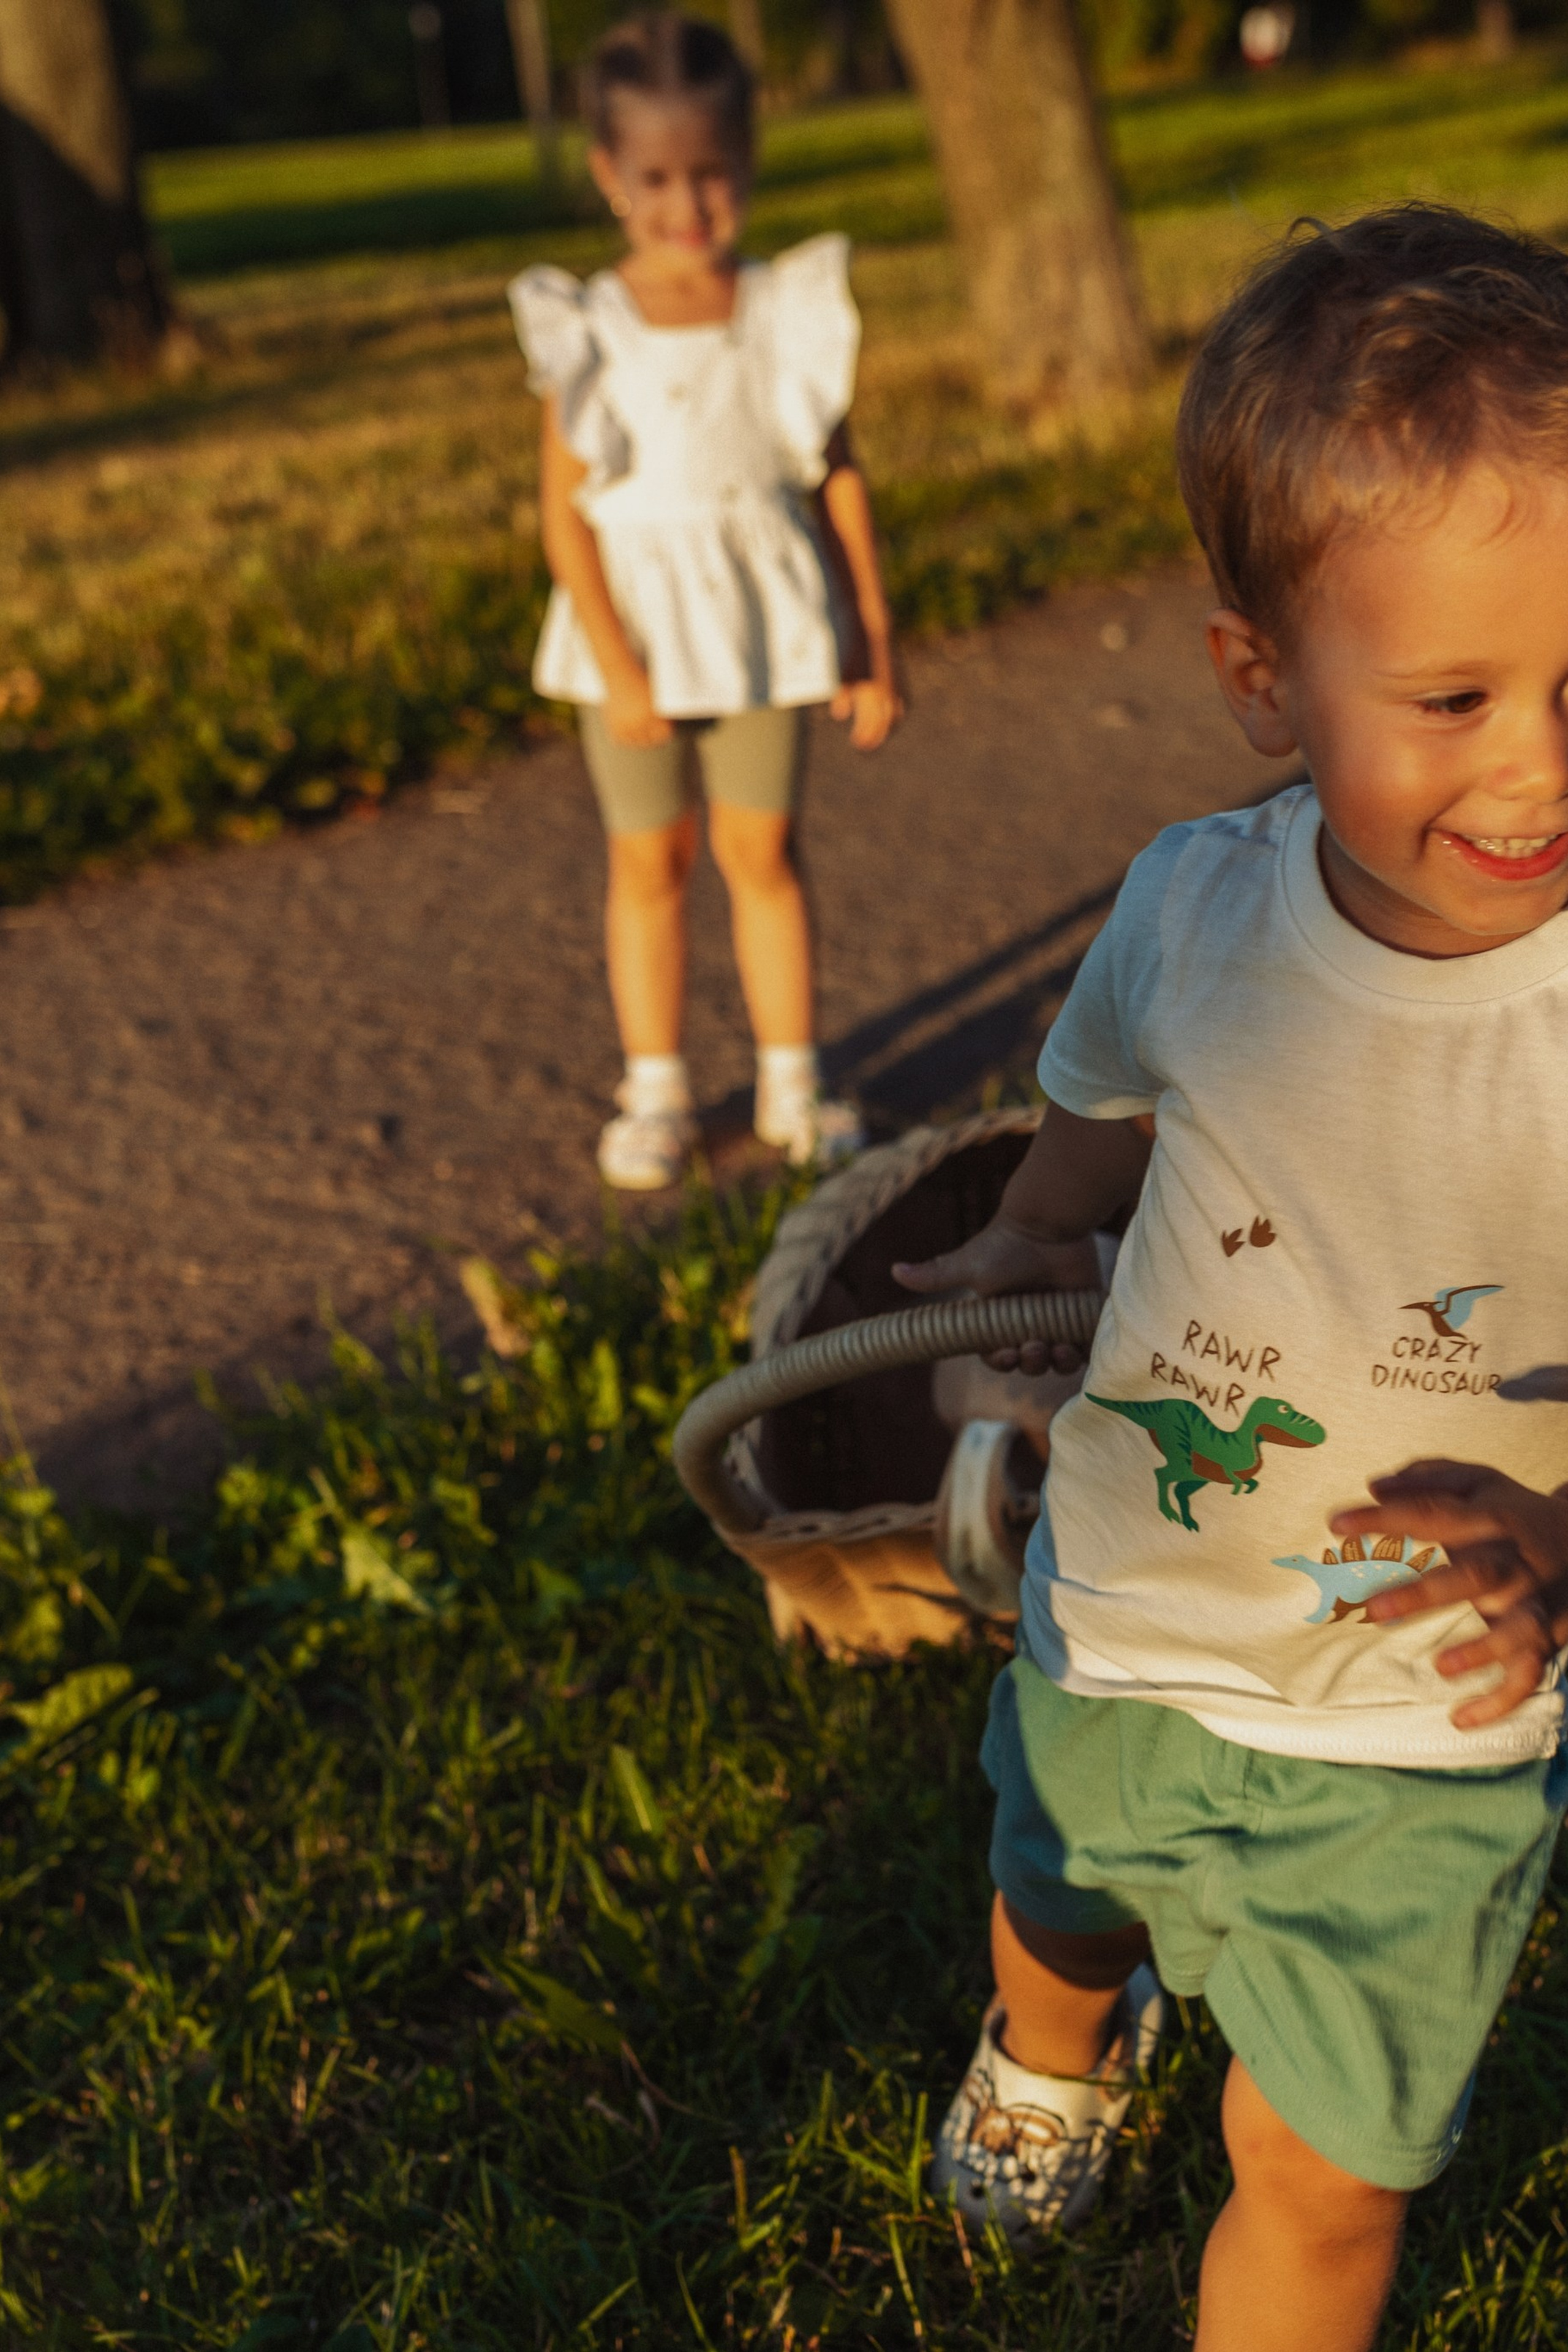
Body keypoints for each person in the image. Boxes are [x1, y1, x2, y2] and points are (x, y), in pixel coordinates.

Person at [895, 204, 1568, 2350]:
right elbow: (1092, 1133)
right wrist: (1016, 1261)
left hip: (1420, 1726)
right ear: (1263, 681)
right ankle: (1053, 2054)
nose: (1539, 759)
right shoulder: (1192, 911)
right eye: (1456, 695)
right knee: (1052, 1890)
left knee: (1322, 2175)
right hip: (1127, 1613)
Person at [510, 10, 900, 1191]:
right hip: (629, 636)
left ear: (749, 161)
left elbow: (837, 478)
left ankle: (792, 1075)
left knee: (763, 847)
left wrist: (871, 636)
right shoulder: (594, 330)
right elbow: (564, 512)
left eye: (712, 174)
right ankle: (658, 1087)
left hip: (763, 629)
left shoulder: (785, 315)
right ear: (608, 177)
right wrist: (623, 669)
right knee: (651, 859)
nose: (689, 206)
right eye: (657, 180)